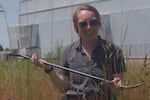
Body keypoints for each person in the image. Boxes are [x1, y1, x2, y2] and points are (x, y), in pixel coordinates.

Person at [31, 4, 126, 100]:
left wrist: (117, 86)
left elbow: (118, 89)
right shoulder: (68, 51)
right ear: (77, 28)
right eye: (83, 24)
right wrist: (48, 68)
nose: (89, 27)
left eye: (93, 22)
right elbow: (63, 87)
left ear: (99, 24)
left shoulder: (114, 51)